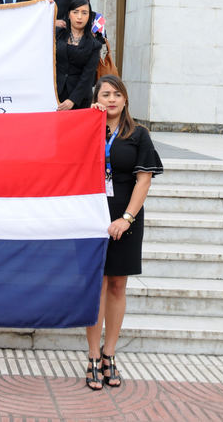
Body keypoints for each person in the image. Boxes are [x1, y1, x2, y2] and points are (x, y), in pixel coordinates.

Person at [85, 75, 163, 391]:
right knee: (96, 286)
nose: (112, 99)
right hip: (91, 218)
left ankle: (109, 355)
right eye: (106, 94)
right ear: (97, 98)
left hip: (126, 219)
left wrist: (127, 218)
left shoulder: (138, 135)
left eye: (118, 94)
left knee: (117, 285)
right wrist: (87, 121)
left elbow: (144, 180)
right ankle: (91, 358)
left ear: (126, 99)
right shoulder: (88, 129)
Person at [55, 0, 102, 110]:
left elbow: (88, 76)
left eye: (84, 13)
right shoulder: (57, 34)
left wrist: (72, 100)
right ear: (69, 14)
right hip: (54, 94)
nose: (79, 17)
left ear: (89, 16)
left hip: (80, 100)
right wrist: (46, 8)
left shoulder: (94, 45)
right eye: (75, 12)